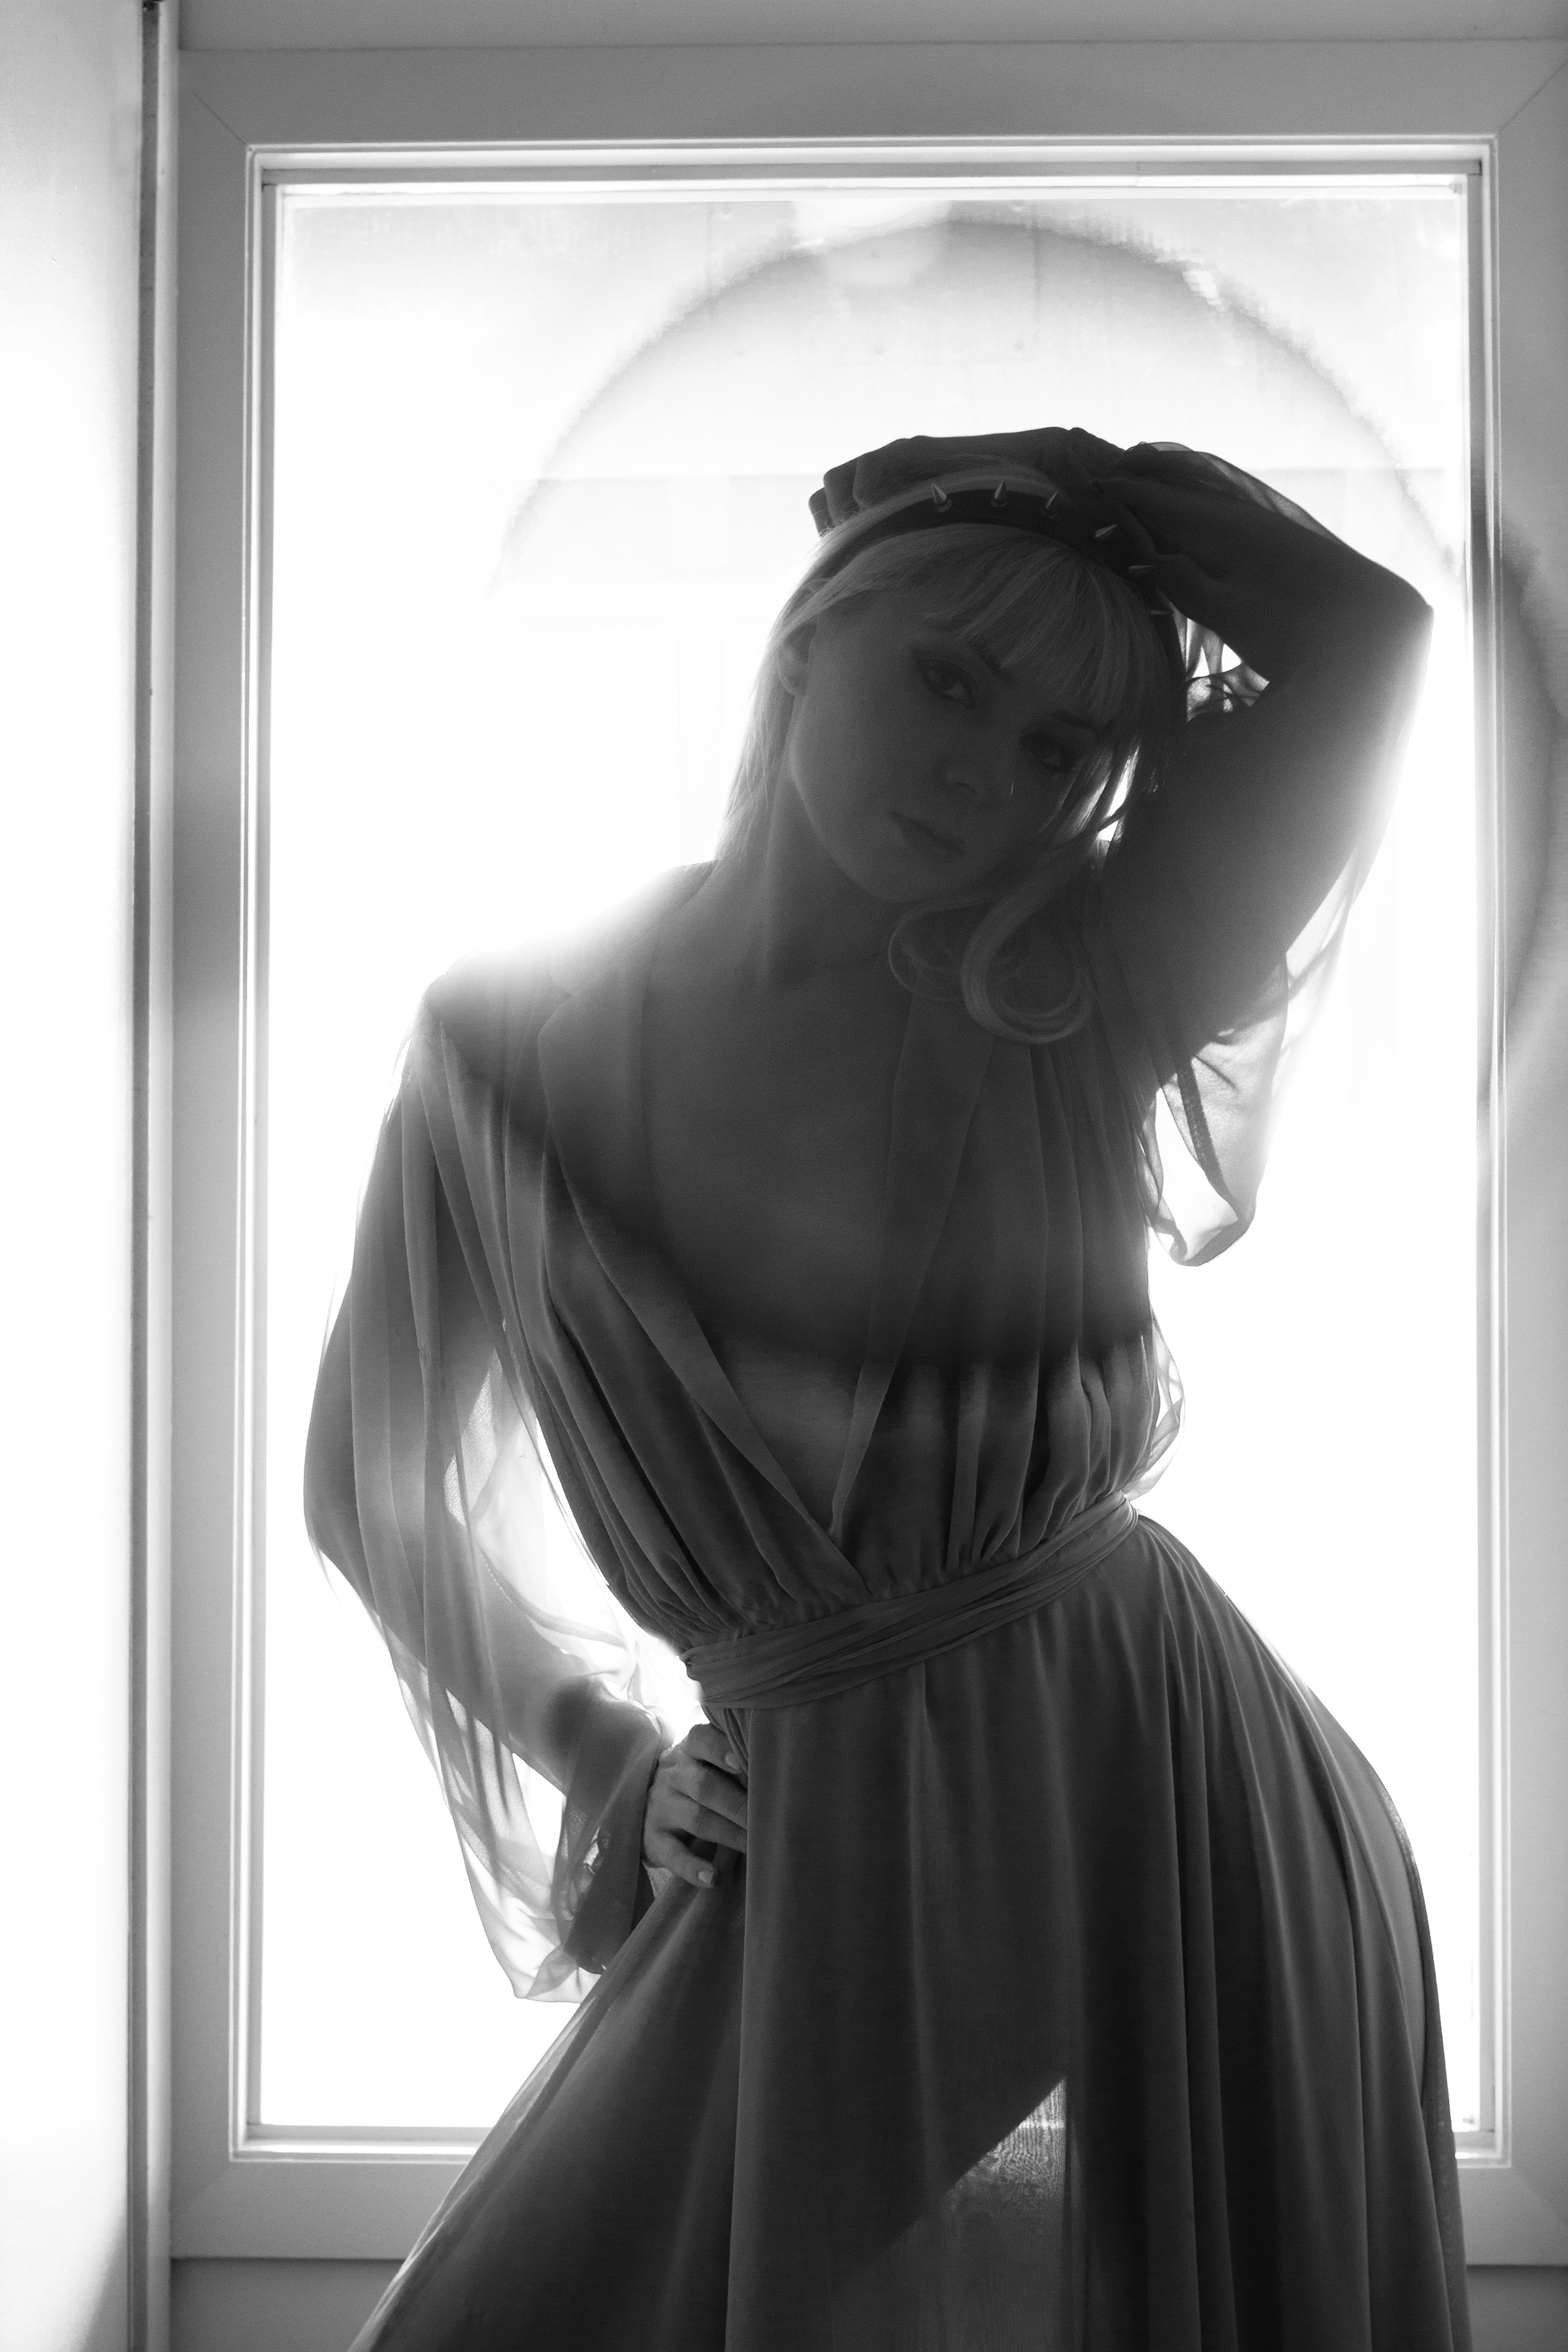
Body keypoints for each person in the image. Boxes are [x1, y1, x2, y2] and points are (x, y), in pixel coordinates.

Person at [304, 426, 1471, 2349]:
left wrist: (1046, 476)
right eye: (946, 678)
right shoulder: (498, 1039)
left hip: (1160, 1796)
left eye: (1058, 750)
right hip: (810, 1816)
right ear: (804, 646)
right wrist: (611, 1757)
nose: (981, 774)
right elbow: (366, 1481)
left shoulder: (1072, 996)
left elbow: (1367, 642)